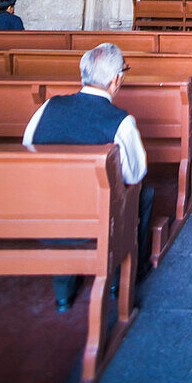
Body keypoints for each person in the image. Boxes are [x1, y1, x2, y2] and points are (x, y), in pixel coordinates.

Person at [22, 42, 152, 311]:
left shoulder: (47, 107)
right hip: (98, 217)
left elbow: (28, 149)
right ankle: (121, 277)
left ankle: (63, 291)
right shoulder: (120, 120)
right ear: (116, 79)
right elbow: (136, 173)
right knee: (144, 193)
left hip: (46, 214)